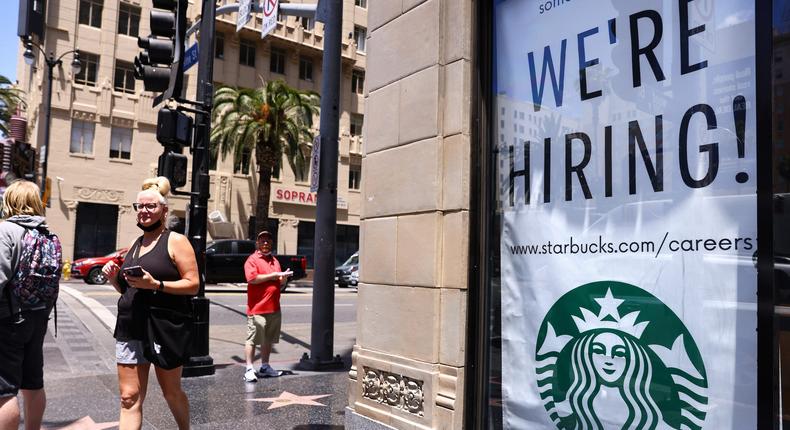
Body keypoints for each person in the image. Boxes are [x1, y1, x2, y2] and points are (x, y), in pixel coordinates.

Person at [102, 177, 198, 430]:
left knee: (171, 392)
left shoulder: (176, 241)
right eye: (140, 206)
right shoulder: (137, 243)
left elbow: (193, 284)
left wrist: (157, 285)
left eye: (150, 207)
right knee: (128, 397)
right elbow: (130, 288)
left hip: (163, 327)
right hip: (130, 326)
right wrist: (115, 279)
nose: (143, 211)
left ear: (164, 210)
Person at [0, 180, 61, 430]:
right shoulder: (48, 234)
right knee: (33, 383)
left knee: (4, 390)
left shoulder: (6, 231)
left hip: (8, 319)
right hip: (38, 318)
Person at [243, 230, 291, 382]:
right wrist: (274, 276)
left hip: (274, 308)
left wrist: (283, 279)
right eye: (262, 241)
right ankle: (249, 369)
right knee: (252, 339)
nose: (265, 243)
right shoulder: (252, 260)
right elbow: (252, 279)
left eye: (268, 241)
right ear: (257, 243)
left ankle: (265, 366)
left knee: (268, 339)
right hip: (257, 308)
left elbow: (279, 282)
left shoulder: (274, 261)